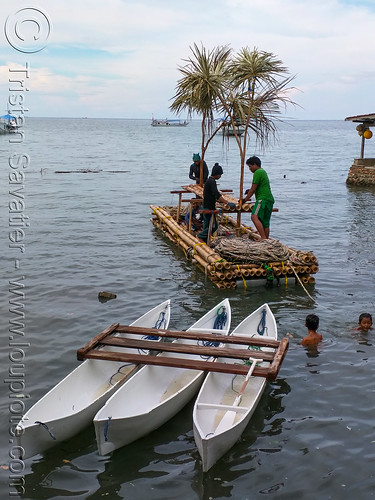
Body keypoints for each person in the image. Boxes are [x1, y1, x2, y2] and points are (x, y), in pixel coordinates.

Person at [242, 156, 274, 240]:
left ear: (255, 165)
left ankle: (263, 237)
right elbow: (259, 186)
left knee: (254, 216)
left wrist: (245, 200)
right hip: (269, 199)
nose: (249, 169)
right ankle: (266, 239)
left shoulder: (258, 172)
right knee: (265, 221)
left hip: (262, 199)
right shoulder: (263, 172)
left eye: (250, 166)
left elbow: (253, 188)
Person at [197, 163, 227, 243]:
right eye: (220, 175)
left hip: (208, 205)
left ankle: (204, 239)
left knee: (207, 225)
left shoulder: (209, 181)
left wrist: (218, 200)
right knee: (214, 226)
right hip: (208, 207)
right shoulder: (211, 181)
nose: (220, 176)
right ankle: (200, 236)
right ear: (217, 174)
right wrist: (225, 202)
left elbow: (212, 194)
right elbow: (216, 193)